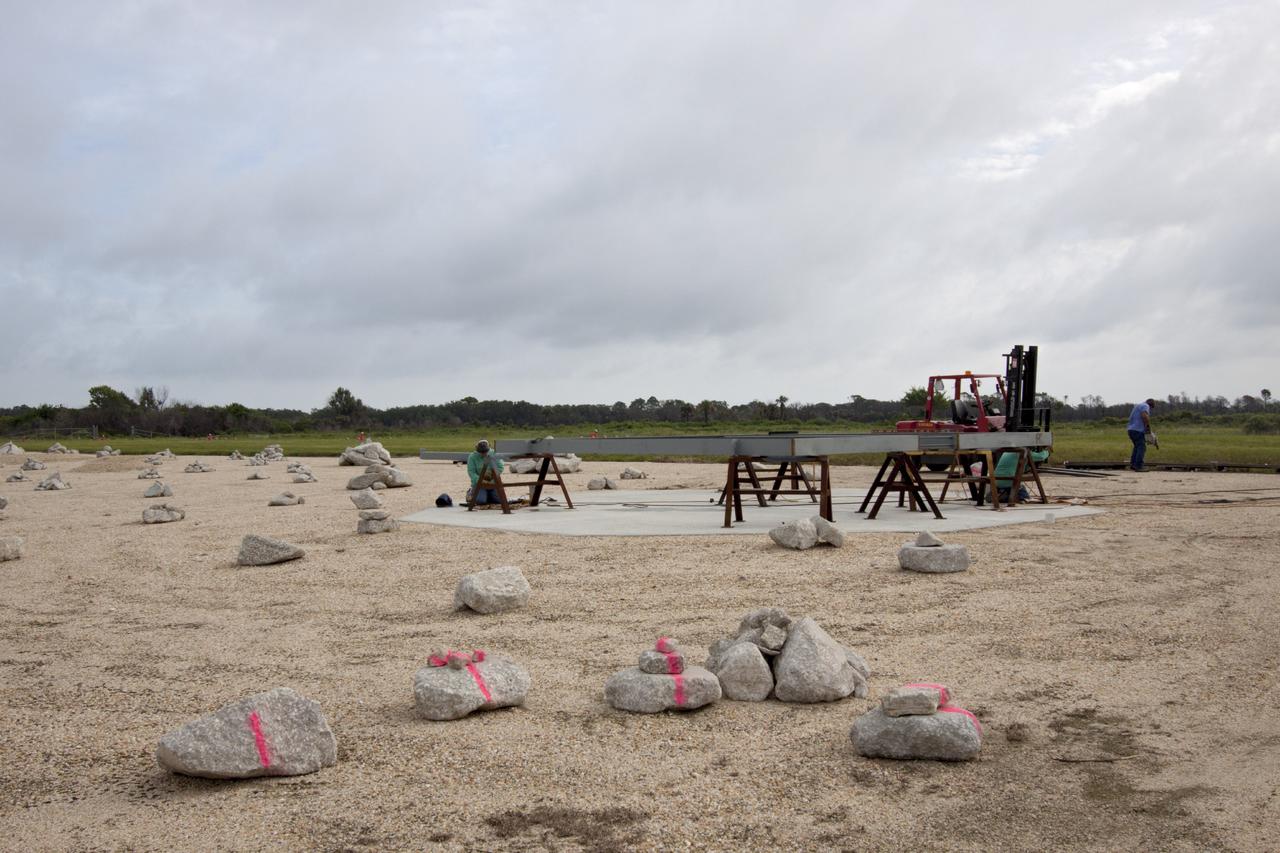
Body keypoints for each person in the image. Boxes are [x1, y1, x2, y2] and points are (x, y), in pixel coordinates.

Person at [466, 439, 504, 505]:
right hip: (479, 484)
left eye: (485, 451)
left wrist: (492, 475)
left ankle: (488, 495)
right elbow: (471, 472)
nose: (483, 453)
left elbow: (500, 467)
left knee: (500, 500)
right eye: (481, 452)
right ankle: (471, 492)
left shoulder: (494, 453)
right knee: (481, 501)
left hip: (493, 482)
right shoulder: (472, 457)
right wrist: (481, 480)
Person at [1126, 398, 1157, 471]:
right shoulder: (1145, 406)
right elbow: (1144, 416)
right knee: (1142, 447)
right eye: (1151, 408)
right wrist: (1148, 428)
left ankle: (1133, 464)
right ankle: (1139, 466)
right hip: (1138, 430)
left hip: (1131, 429)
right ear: (1151, 405)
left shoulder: (1138, 405)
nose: (1150, 410)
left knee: (1137, 447)